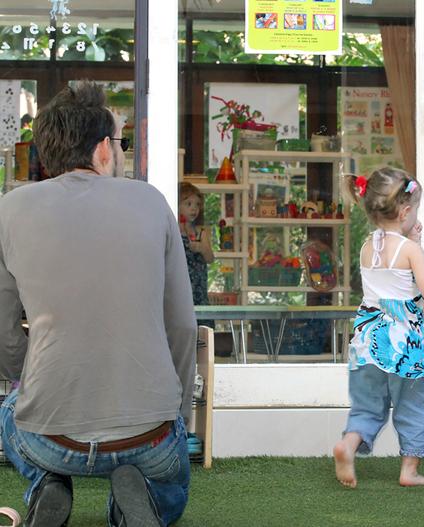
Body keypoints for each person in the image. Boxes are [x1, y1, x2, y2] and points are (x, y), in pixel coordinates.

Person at [0, 81, 196, 526]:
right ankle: (134, 506)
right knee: (170, 487)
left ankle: (46, 484)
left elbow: (3, 329)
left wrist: (24, 378)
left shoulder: (10, 209)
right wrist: (177, 414)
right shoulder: (151, 202)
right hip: (150, 437)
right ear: (104, 150)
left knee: (10, 410)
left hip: (50, 435)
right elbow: (182, 325)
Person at [334, 167, 424, 488]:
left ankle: (349, 443)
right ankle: (409, 470)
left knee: (368, 404)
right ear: (406, 211)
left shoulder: (368, 246)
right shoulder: (410, 250)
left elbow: (388, 284)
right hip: (402, 342)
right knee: (413, 404)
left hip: (368, 337)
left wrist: (413, 239)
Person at [179, 182, 214, 311]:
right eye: (188, 204)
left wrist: (201, 248)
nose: (194, 209)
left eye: (197, 205)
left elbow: (210, 258)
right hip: (180, 289)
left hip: (198, 290)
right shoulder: (173, 231)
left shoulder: (200, 232)